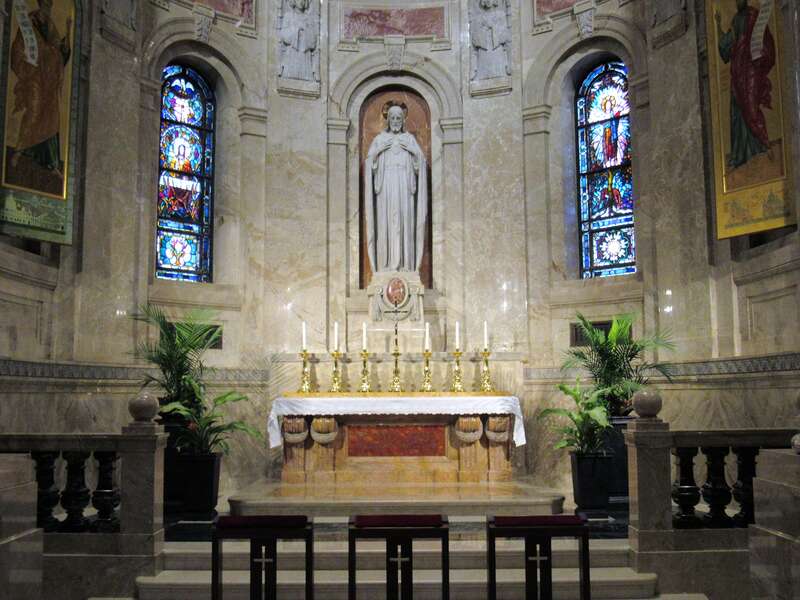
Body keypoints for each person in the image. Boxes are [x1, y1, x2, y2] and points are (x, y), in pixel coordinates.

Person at [364, 103, 428, 273]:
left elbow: (419, 165)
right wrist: (377, 154)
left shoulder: (409, 140)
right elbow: (370, 165)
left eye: (399, 118)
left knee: (403, 223)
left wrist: (415, 154)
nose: (395, 121)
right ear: (387, 119)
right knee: (387, 224)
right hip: (385, 189)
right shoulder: (379, 140)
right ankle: (385, 265)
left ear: (403, 120)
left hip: (405, 190)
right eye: (392, 118)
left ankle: (406, 265)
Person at [9, 0, 71, 174]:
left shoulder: (51, 26)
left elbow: (60, 52)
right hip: (34, 76)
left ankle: (52, 164)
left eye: (49, 6)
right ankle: (18, 151)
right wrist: (29, 66)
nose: (48, 9)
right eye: (45, 5)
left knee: (53, 118)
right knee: (34, 111)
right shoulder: (30, 21)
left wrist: (64, 48)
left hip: (50, 80)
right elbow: (19, 48)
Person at [715, 0, 775, 169]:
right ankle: (739, 155)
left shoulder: (753, 15)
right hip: (737, 71)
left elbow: (765, 39)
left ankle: (763, 144)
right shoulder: (735, 21)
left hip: (750, 70)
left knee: (751, 106)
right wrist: (718, 25)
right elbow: (725, 46)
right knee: (736, 112)